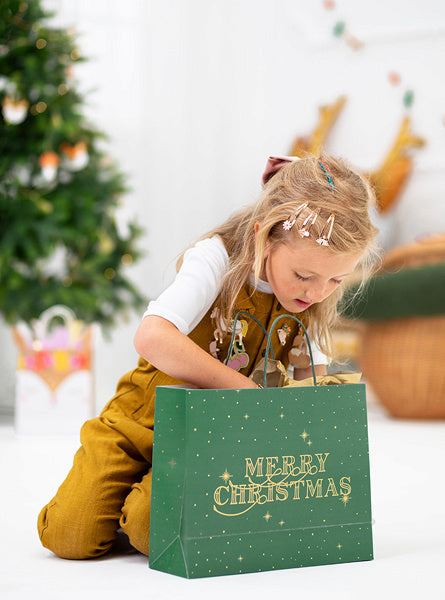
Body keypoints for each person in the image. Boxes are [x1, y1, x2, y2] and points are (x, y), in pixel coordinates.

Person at [37, 154, 378, 559]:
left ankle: (141, 500)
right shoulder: (216, 257)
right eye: (304, 276)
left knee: (152, 529)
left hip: (213, 444)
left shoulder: (311, 303)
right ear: (263, 237)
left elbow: (311, 391)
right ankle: (126, 491)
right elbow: (151, 337)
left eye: (336, 279)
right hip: (140, 423)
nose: (317, 292)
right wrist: (242, 388)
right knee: (68, 537)